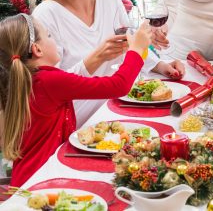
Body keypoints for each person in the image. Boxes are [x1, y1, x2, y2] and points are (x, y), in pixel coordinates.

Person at [33, 0, 185, 126]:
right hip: (75, 121)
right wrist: (96, 58)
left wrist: (160, 65)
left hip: (116, 107)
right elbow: (49, 88)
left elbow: (130, 43)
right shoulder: (46, 14)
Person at [0, 13, 152, 186]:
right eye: (49, 35)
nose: (53, 39)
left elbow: (72, 79)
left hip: (28, 177)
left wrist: (100, 55)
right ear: (37, 49)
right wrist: (137, 50)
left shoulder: (25, 80)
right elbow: (119, 85)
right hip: (42, 181)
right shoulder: (49, 82)